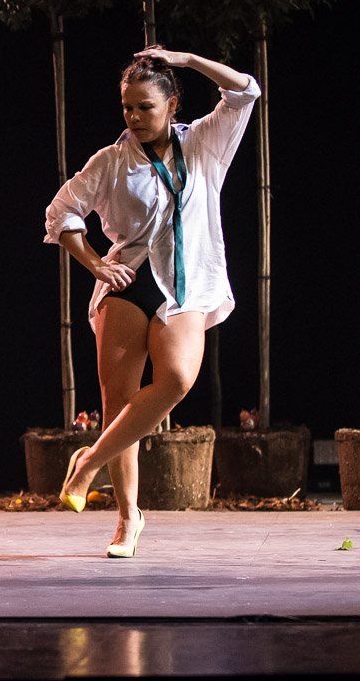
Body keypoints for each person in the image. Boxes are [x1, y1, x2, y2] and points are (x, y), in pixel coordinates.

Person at [44, 47, 258, 557]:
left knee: (177, 380)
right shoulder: (111, 161)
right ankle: (127, 519)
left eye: (145, 107)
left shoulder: (205, 143)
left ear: (172, 105)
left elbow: (245, 89)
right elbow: (61, 212)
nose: (134, 117)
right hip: (128, 283)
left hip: (187, 286)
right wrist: (95, 264)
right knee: (118, 403)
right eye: (127, 107)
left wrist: (186, 59)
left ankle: (88, 461)